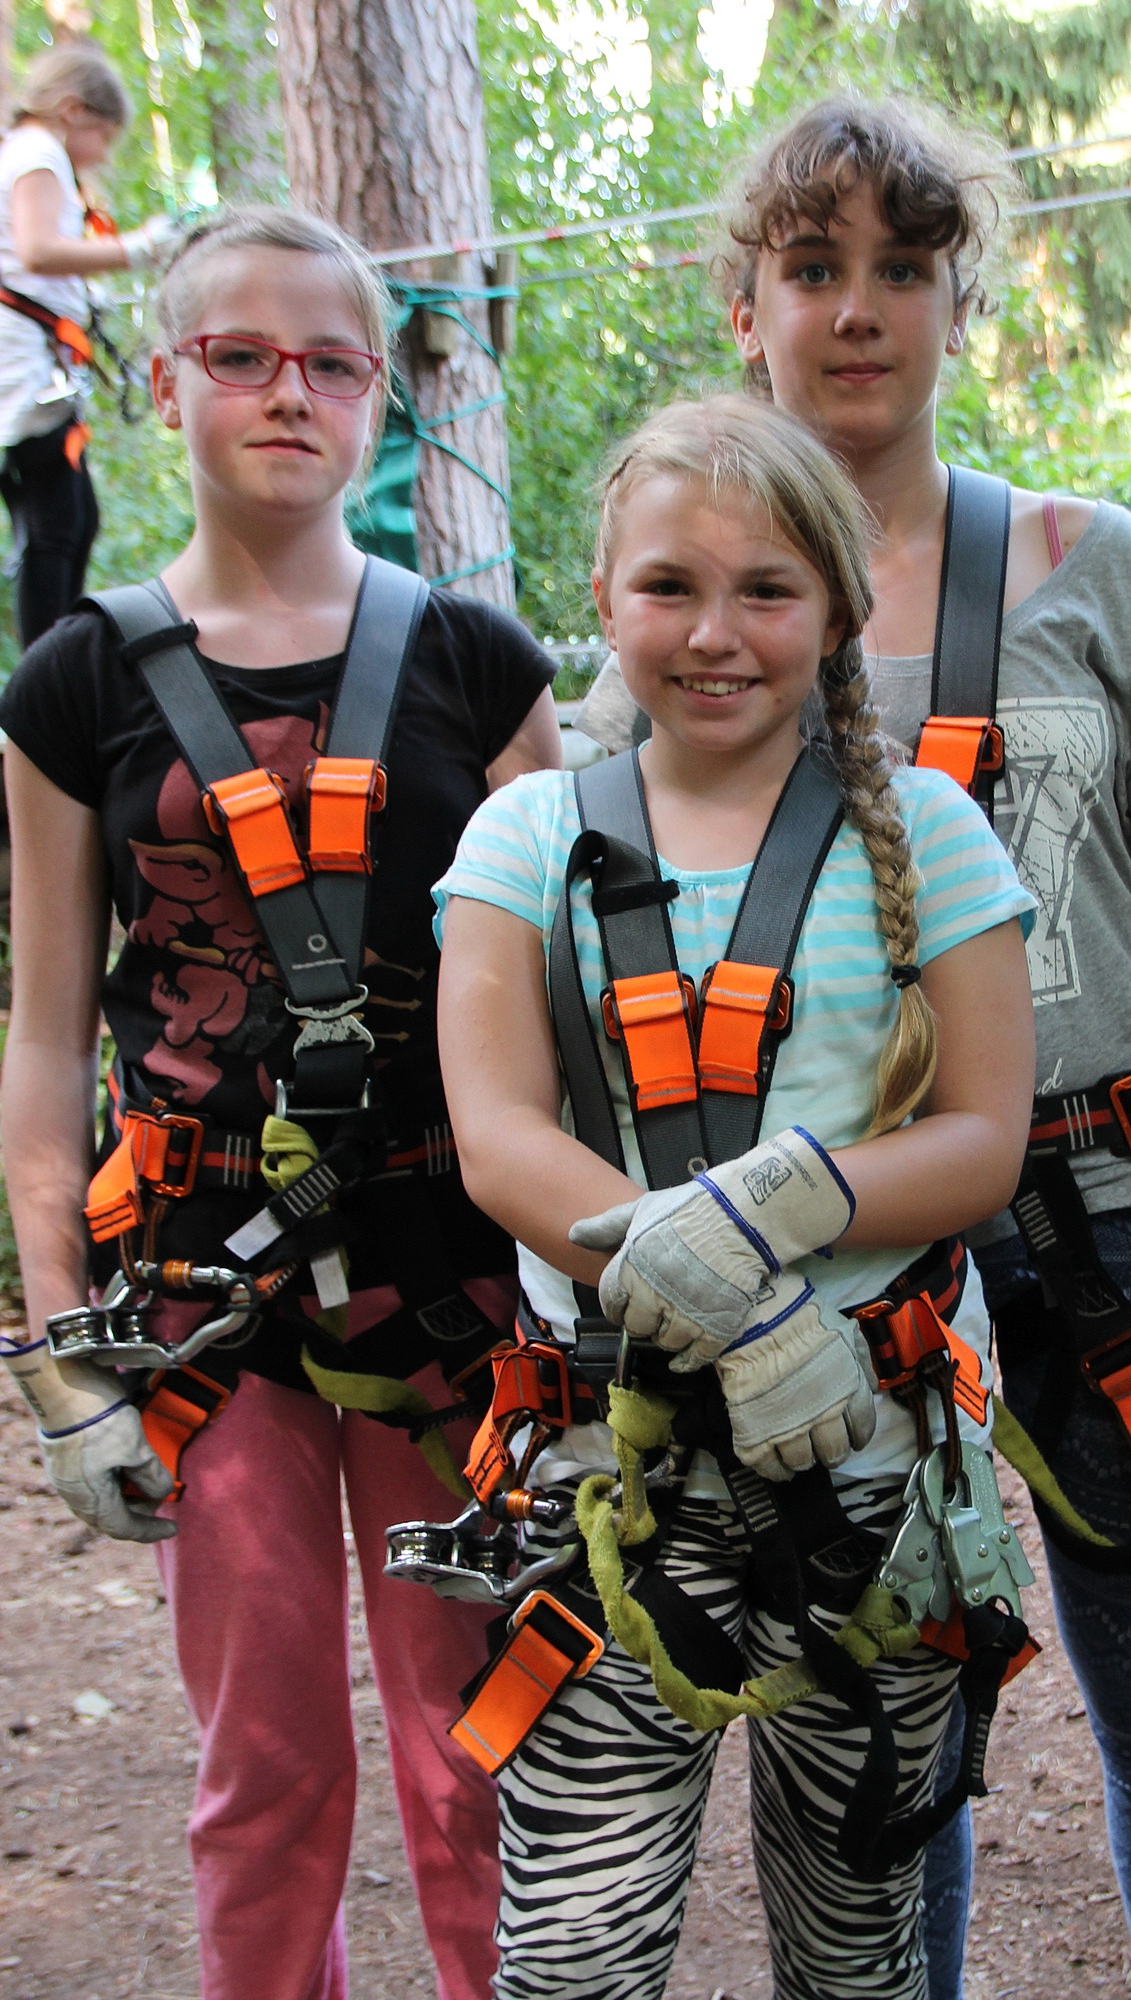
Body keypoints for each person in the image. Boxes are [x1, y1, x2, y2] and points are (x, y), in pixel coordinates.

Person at [576, 100, 1131, 2000]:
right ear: (741, 306)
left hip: (1098, 1213)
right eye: (810, 267)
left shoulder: (1091, 567)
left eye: (901, 268)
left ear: (959, 300)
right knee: (896, 1724)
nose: (856, 309)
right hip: (840, 1243)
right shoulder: (695, 614)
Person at [0, 205, 561, 2000]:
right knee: (265, 1764)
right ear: (164, 385)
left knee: (479, 1750)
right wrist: (61, 1343)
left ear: (378, 396)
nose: (286, 392)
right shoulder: (75, 684)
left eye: (329, 362)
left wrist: (587, 1296)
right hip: (198, 1292)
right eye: (238, 356)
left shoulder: (479, 666)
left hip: (452, 1278)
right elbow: (43, 1034)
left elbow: (555, 1010)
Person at [433, 392, 1038, 2000]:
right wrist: (732, 1302)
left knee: (855, 1942)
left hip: (869, 1468)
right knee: (572, 1955)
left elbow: (983, 1136)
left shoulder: (930, 834)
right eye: (668, 587)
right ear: (601, 598)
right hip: (604, 1475)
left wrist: (774, 1202)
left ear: (835, 609)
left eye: (765, 589)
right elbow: (498, 1137)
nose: (715, 634)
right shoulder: (523, 839)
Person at [0, 41, 181, 644]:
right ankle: (47, 673)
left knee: (75, 520)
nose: (103, 154)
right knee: (55, 527)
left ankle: (62, 660)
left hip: (34, 366)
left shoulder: (28, 152)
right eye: (103, 137)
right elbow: (37, 252)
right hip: (23, 372)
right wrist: (136, 248)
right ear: (73, 110)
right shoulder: (38, 153)